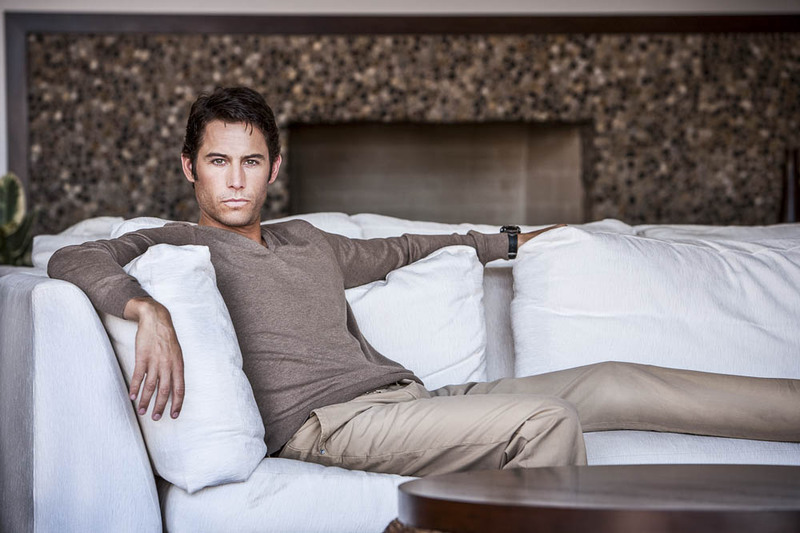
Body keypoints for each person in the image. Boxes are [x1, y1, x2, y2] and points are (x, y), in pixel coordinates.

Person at [48, 87, 800, 477]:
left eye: (250, 162)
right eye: (218, 162)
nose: (235, 180)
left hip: (411, 399)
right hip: (326, 425)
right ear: (190, 167)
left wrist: (513, 240)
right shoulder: (176, 243)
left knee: (613, 380)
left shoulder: (307, 240)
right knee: (545, 421)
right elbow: (71, 259)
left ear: (274, 168)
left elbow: (409, 245)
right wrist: (145, 309)